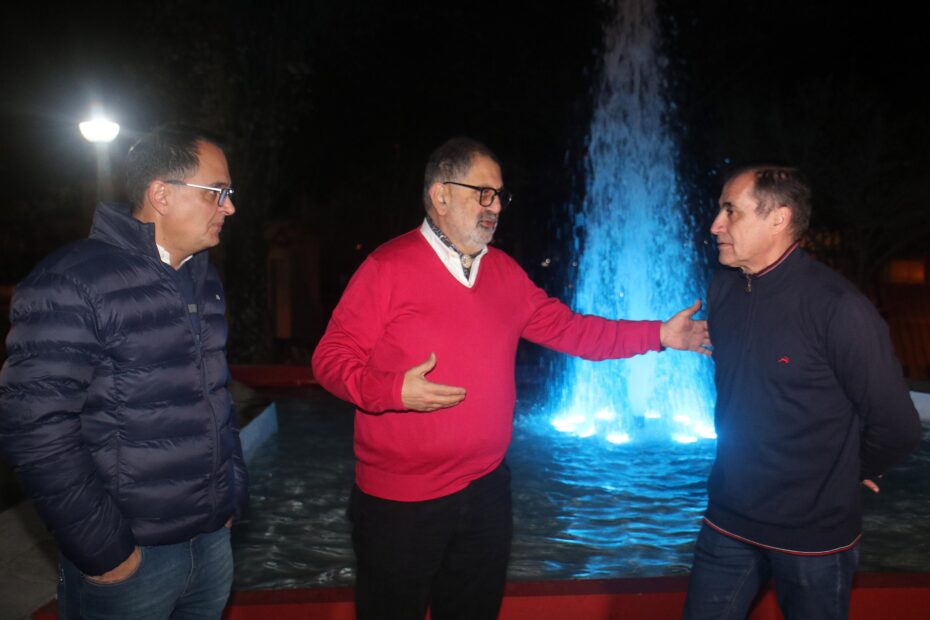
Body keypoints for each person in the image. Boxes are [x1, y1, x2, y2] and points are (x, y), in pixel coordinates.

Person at [311, 136, 711, 620]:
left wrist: (659, 335)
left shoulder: (503, 273)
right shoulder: (387, 267)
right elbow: (330, 358)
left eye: (499, 195)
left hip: (486, 492)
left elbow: (574, 331)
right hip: (401, 502)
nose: (495, 207)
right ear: (441, 194)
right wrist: (392, 390)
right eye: (483, 193)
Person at [0, 126, 249, 619]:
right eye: (216, 192)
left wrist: (230, 497)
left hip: (210, 542)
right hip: (131, 559)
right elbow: (34, 427)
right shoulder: (72, 280)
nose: (230, 208)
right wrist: (106, 552)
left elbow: (214, 398)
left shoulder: (202, 277)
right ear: (161, 194)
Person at [683, 166, 921, 619]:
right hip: (727, 520)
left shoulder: (839, 309)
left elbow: (898, 426)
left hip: (812, 538)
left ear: (779, 218)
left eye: (731, 211)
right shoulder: (723, 289)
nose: (715, 225)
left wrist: (851, 470)